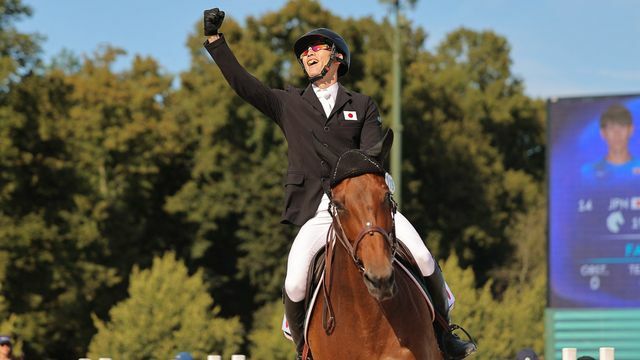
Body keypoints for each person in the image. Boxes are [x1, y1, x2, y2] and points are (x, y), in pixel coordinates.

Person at [202, 7, 477, 360]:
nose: (307, 54)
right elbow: (244, 84)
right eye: (304, 51)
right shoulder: (289, 104)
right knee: (295, 280)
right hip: (318, 210)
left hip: (364, 205)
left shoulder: (361, 105)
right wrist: (215, 41)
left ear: (337, 57)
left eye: (316, 47)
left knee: (422, 256)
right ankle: (304, 348)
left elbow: (373, 155)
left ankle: (445, 333)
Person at [581, 103, 640, 183]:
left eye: (622, 127)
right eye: (611, 128)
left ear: (631, 130)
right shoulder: (589, 172)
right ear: (603, 133)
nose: (617, 134)